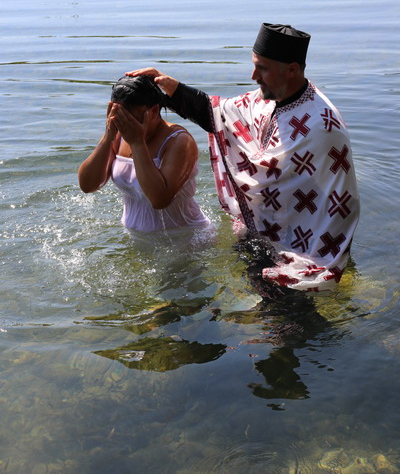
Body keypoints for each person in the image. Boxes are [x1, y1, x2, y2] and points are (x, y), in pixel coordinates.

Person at [125, 23, 360, 291]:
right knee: (256, 291)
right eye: (254, 65)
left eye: (262, 68)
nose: (253, 76)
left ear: (292, 70)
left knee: (288, 305)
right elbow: (219, 114)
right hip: (259, 228)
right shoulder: (266, 99)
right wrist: (172, 88)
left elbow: (338, 201)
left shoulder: (322, 124)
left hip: (303, 243)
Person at [78, 75, 210, 232]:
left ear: (154, 111)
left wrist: (137, 143)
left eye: (133, 119)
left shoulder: (179, 141)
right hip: (136, 237)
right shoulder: (119, 132)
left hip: (185, 236)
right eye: (121, 118)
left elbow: (159, 200)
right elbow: (87, 186)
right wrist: (108, 138)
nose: (127, 125)